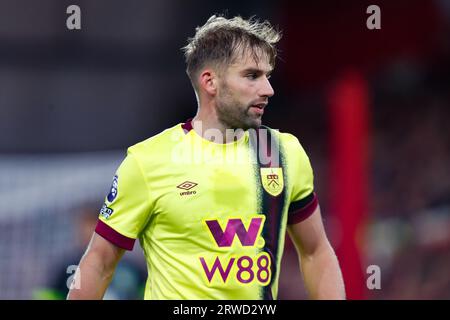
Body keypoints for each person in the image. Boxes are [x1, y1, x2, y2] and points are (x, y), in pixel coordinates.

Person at [68, 14, 345, 300]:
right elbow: (99, 262)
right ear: (210, 82)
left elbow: (316, 251)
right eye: (252, 76)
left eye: (268, 76)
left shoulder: (284, 153)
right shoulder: (148, 161)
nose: (268, 90)